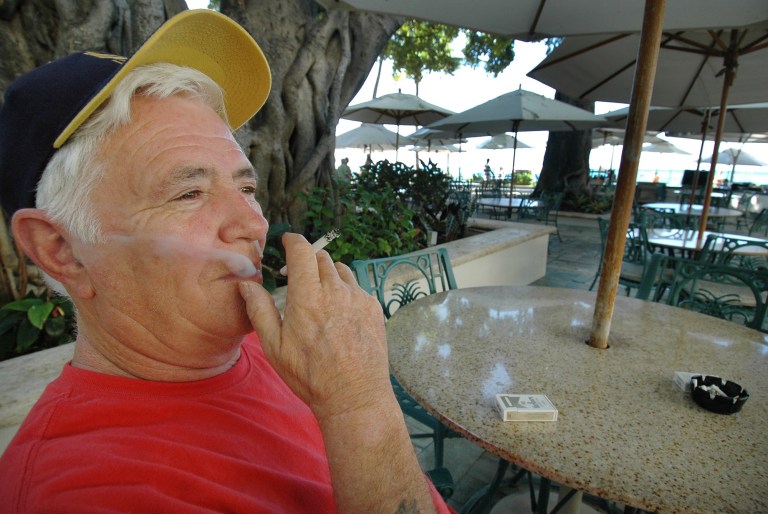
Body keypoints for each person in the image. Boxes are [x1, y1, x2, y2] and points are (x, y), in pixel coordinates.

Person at [0, 10, 451, 514]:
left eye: (246, 187)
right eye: (189, 193)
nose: (254, 225)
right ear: (63, 253)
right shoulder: (81, 491)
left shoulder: (291, 352)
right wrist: (361, 406)